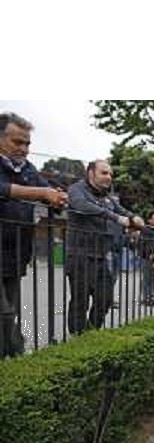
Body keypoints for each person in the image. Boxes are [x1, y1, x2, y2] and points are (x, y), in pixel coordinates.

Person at [0, 112, 67, 357]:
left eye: (27, 143)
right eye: (17, 142)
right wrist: (39, 192)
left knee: (10, 312)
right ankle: (18, 356)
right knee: (4, 314)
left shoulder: (27, 169)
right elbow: (7, 189)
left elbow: (46, 191)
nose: (24, 148)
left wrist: (57, 198)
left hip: (16, 254)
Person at [66, 160, 144, 334]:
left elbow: (122, 210)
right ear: (91, 173)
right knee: (80, 302)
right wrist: (116, 218)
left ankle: (91, 332)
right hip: (80, 256)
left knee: (105, 299)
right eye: (104, 173)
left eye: (110, 174)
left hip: (101, 256)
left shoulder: (106, 197)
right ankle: (76, 338)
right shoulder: (77, 190)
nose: (109, 177)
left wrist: (134, 218)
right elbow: (82, 206)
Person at [139, 211, 154, 305]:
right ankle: (147, 298)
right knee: (147, 278)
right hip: (147, 257)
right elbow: (143, 244)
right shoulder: (146, 230)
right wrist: (148, 253)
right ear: (149, 220)